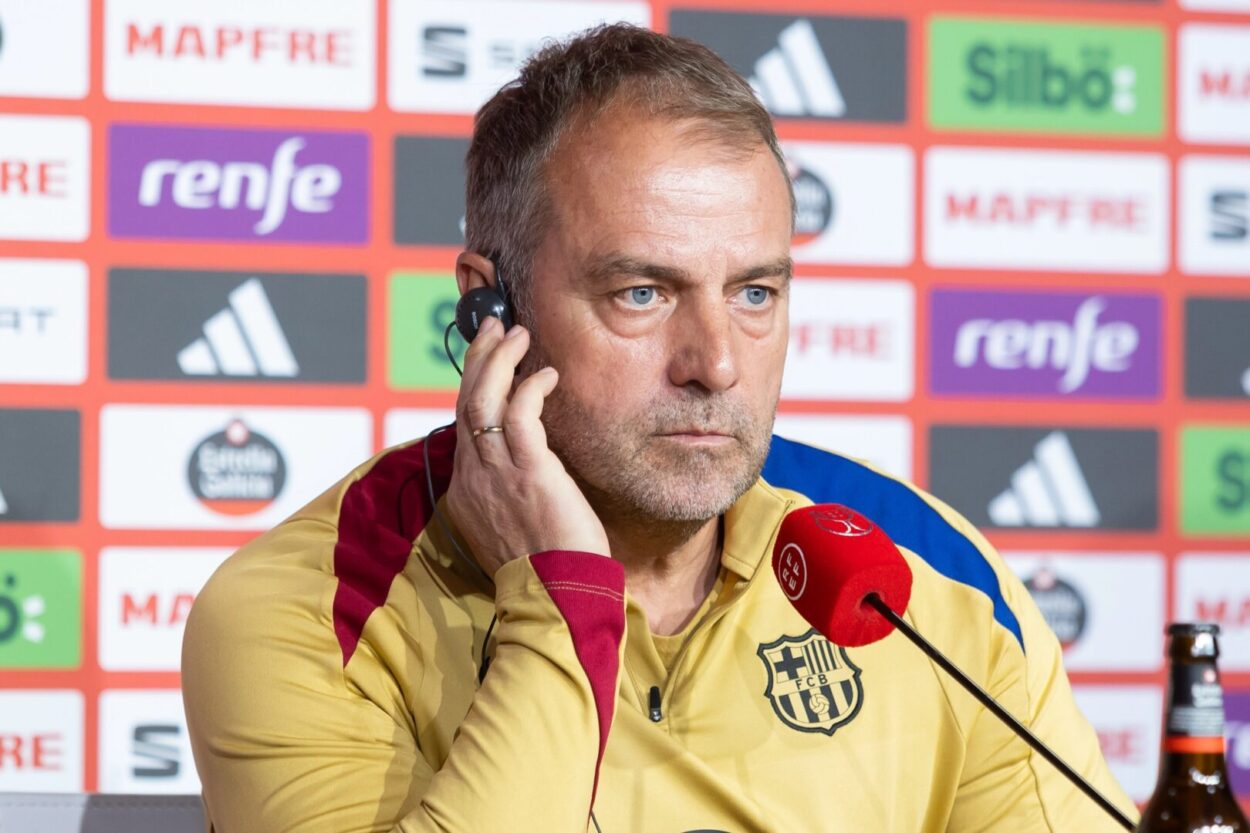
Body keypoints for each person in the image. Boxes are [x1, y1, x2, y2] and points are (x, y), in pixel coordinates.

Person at [182, 23, 1136, 833]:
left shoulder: (929, 579)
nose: (716, 364)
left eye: (754, 293)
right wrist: (558, 594)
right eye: (642, 292)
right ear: (490, 310)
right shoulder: (307, 609)